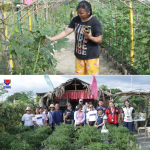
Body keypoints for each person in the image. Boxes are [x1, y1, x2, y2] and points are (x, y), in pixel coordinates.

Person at [43, 1, 102, 75]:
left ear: (88, 12)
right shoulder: (76, 20)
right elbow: (65, 32)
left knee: (92, 79)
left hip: (91, 57)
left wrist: (89, 36)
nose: (79, 15)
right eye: (78, 13)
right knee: (79, 79)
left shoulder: (95, 23)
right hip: (79, 56)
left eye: (81, 13)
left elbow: (99, 40)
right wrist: (51, 39)